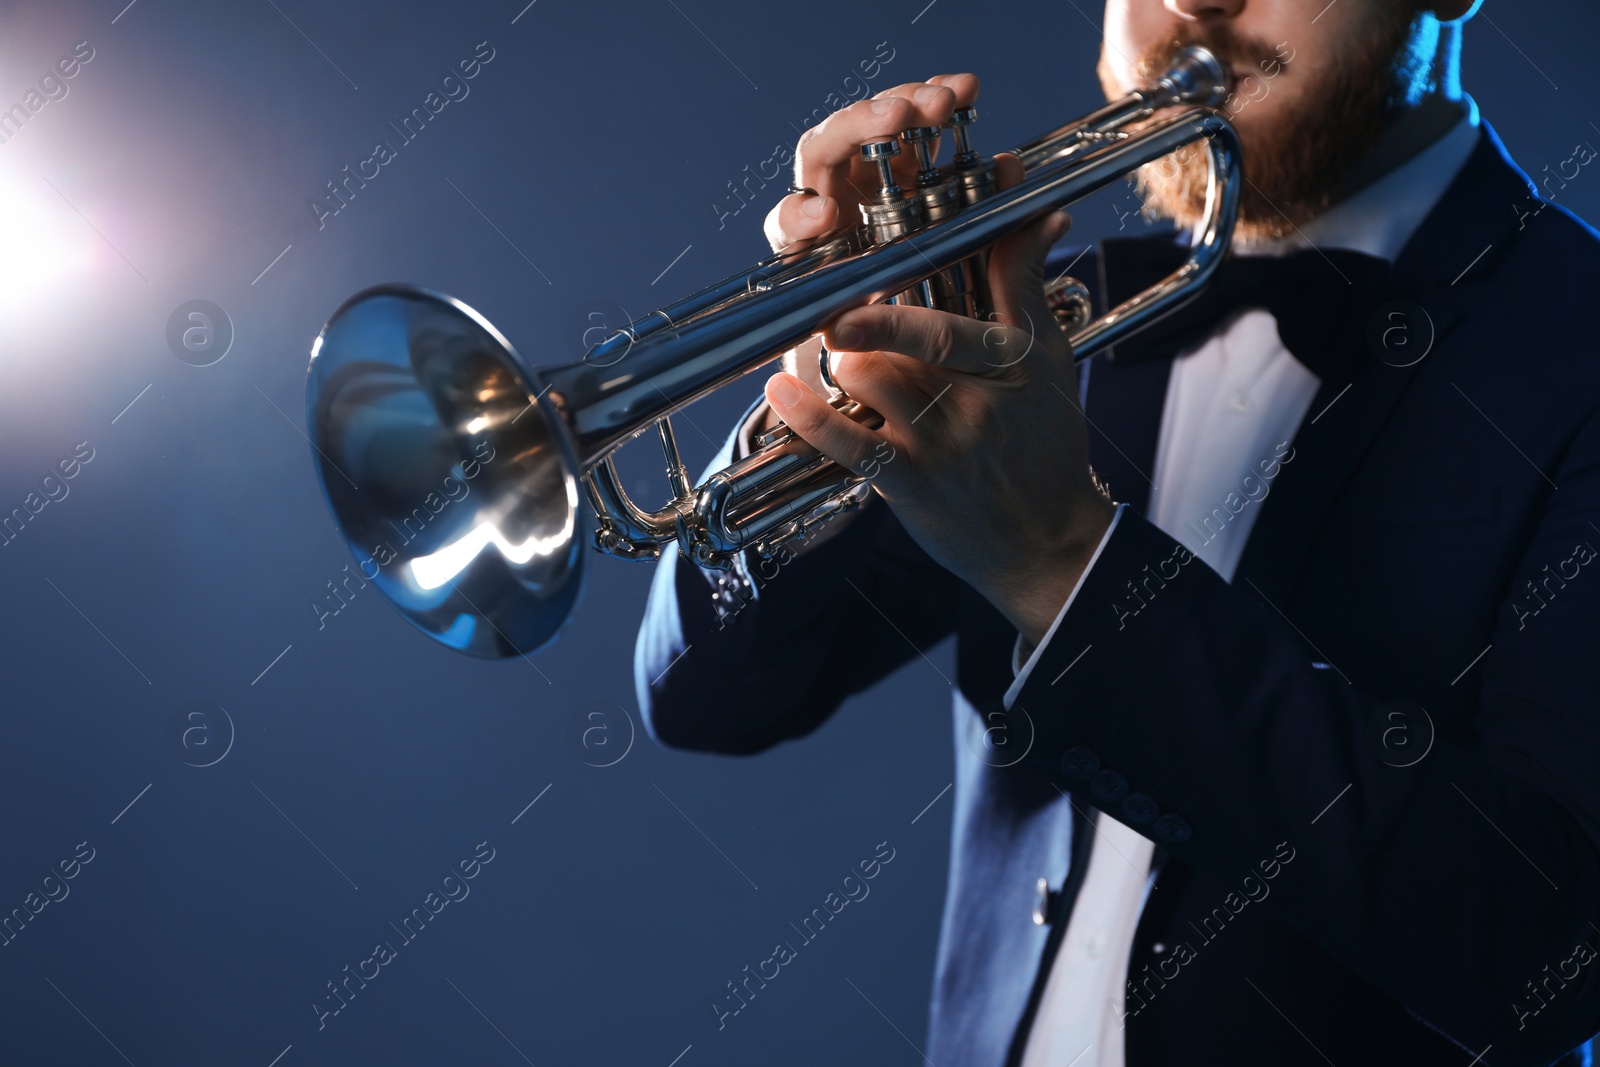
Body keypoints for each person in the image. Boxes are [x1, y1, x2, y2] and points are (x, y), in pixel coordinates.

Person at [636, 0, 1600, 1062]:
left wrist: (1061, 562)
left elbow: (1548, 945)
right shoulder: (1043, 320)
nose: (1194, 4)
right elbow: (713, 697)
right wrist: (831, 374)